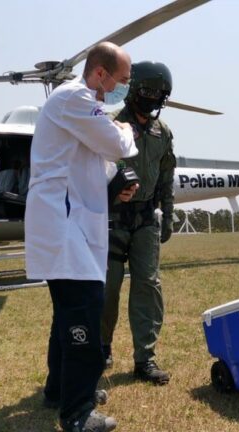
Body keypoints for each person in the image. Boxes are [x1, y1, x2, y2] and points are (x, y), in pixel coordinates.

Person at [24, 41, 139, 432]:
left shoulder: (79, 108)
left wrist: (115, 184)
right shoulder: (75, 97)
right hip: (63, 226)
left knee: (67, 315)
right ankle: (76, 414)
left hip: (70, 224)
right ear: (100, 73)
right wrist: (124, 129)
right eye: (122, 80)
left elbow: (95, 161)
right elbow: (118, 145)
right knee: (84, 319)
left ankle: (61, 390)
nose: (124, 87)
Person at [100, 61, 176, 385]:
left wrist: (168, 215)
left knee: (147, 285)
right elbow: (96, 171)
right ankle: (101, 349)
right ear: (134, 91)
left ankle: (145, 358)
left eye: (159, 95)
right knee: (108, 287)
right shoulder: (111, 126)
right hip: (113, 220)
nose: (153, 100)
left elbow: (166, 179)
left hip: (146, 220)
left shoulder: (163, 133)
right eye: (148, 92)